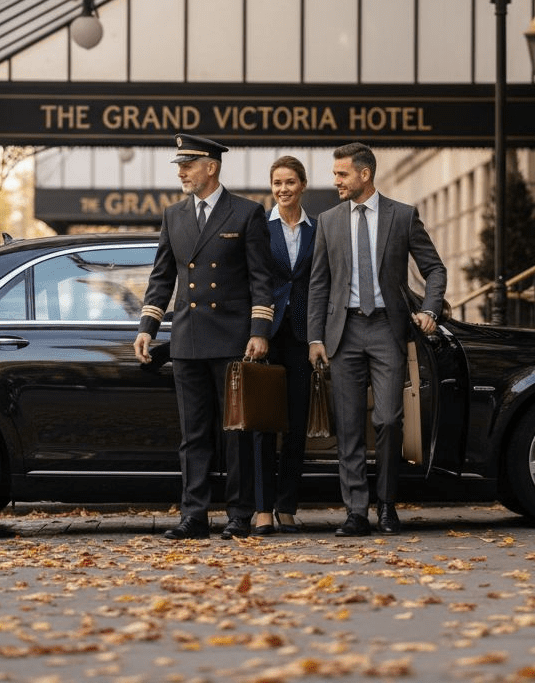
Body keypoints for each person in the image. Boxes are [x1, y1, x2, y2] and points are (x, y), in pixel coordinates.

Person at [134, 134, 274, 541]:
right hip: (189, 341)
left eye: (188, 165)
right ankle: (193, 516)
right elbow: (162, 278)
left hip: (232, 341)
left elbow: (261, 280)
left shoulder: (247, 213)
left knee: (236, 433)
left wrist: (259, 331)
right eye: (179, 166)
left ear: (211, 167)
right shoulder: (173, 215)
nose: (181, 172)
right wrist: (147, 327)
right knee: (192, 434)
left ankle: (238, 515)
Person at [307, 142, 446, 537]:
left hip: (387, 329)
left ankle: (386, 506)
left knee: (388, 419)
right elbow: (319, 285)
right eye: (335, 174)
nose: (335, 181)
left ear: (364, 175)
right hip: (343, 332)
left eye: (342, 174)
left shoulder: (402, 216)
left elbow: (434, 269)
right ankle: (355, 511)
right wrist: (315, 336)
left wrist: (431, 310)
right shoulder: (329, 221)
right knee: (349, 427)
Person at [252, 156, 316, 535]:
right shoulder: (260, 227)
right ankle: (262, 509)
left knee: (295, 425)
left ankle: (287, 506)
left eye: (290, 182)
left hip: (302, 337)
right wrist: (254, 329)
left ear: (302, 185)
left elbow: (318, 282)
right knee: (262, 423)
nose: (283, 189)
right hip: (266, 335)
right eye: (277, 183)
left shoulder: (317, 229)